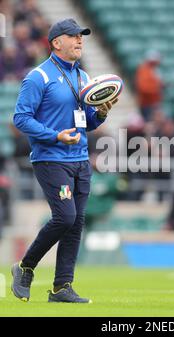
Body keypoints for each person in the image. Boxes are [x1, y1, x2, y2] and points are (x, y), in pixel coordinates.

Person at [11, 18, 118, 303]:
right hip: (51, 158)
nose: (80, 40)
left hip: (80, 159)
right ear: (56, 42)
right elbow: (20, 118)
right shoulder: (38, 77)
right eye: (73, 36)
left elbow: (87, 124)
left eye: (81, 36)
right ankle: (25, 267)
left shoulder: (83, 77)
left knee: (76, 222)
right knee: (65, 217)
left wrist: (102, 113)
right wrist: (56, 136)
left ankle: (62, 287)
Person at [135, 50, 164, 121]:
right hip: (147, 103)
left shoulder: (154, 70)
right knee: (149, 123)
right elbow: (143, 87)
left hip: (154, 103)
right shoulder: (144, 70)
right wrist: (156, 88)